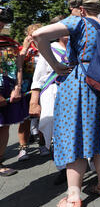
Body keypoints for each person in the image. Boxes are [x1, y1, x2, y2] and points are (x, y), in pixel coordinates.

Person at [33, 0, 100, 207]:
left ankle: (73, 197)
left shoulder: (78, 21)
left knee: (75, 136)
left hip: (81, 83)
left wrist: (54, 65)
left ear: (80, 9)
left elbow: (38, 35)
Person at [29, 15, 69, 184]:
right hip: (53, 93)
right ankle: (63, 168)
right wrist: (34, 101)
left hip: (75, 92)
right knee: (56, 131)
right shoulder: (49, 48)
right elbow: (38, 78)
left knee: (77, 128)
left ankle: (88, 164)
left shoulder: (79, 47)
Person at [0, 11, 25, 177]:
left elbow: (18, 66)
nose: (2, 24)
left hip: (7, 87)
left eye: (2, 21)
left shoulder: (9, 43)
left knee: (4, 126)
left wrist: (17, 86)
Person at [16, 23, 43, 161]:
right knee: (25, 119)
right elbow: (17, 64)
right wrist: (25, 48)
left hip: (43, 86)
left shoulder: (46, 47)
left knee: (44, 115)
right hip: (27, 87)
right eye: (32, 34)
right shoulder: (22, 49)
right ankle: (23, 148)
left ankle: (43, 144)